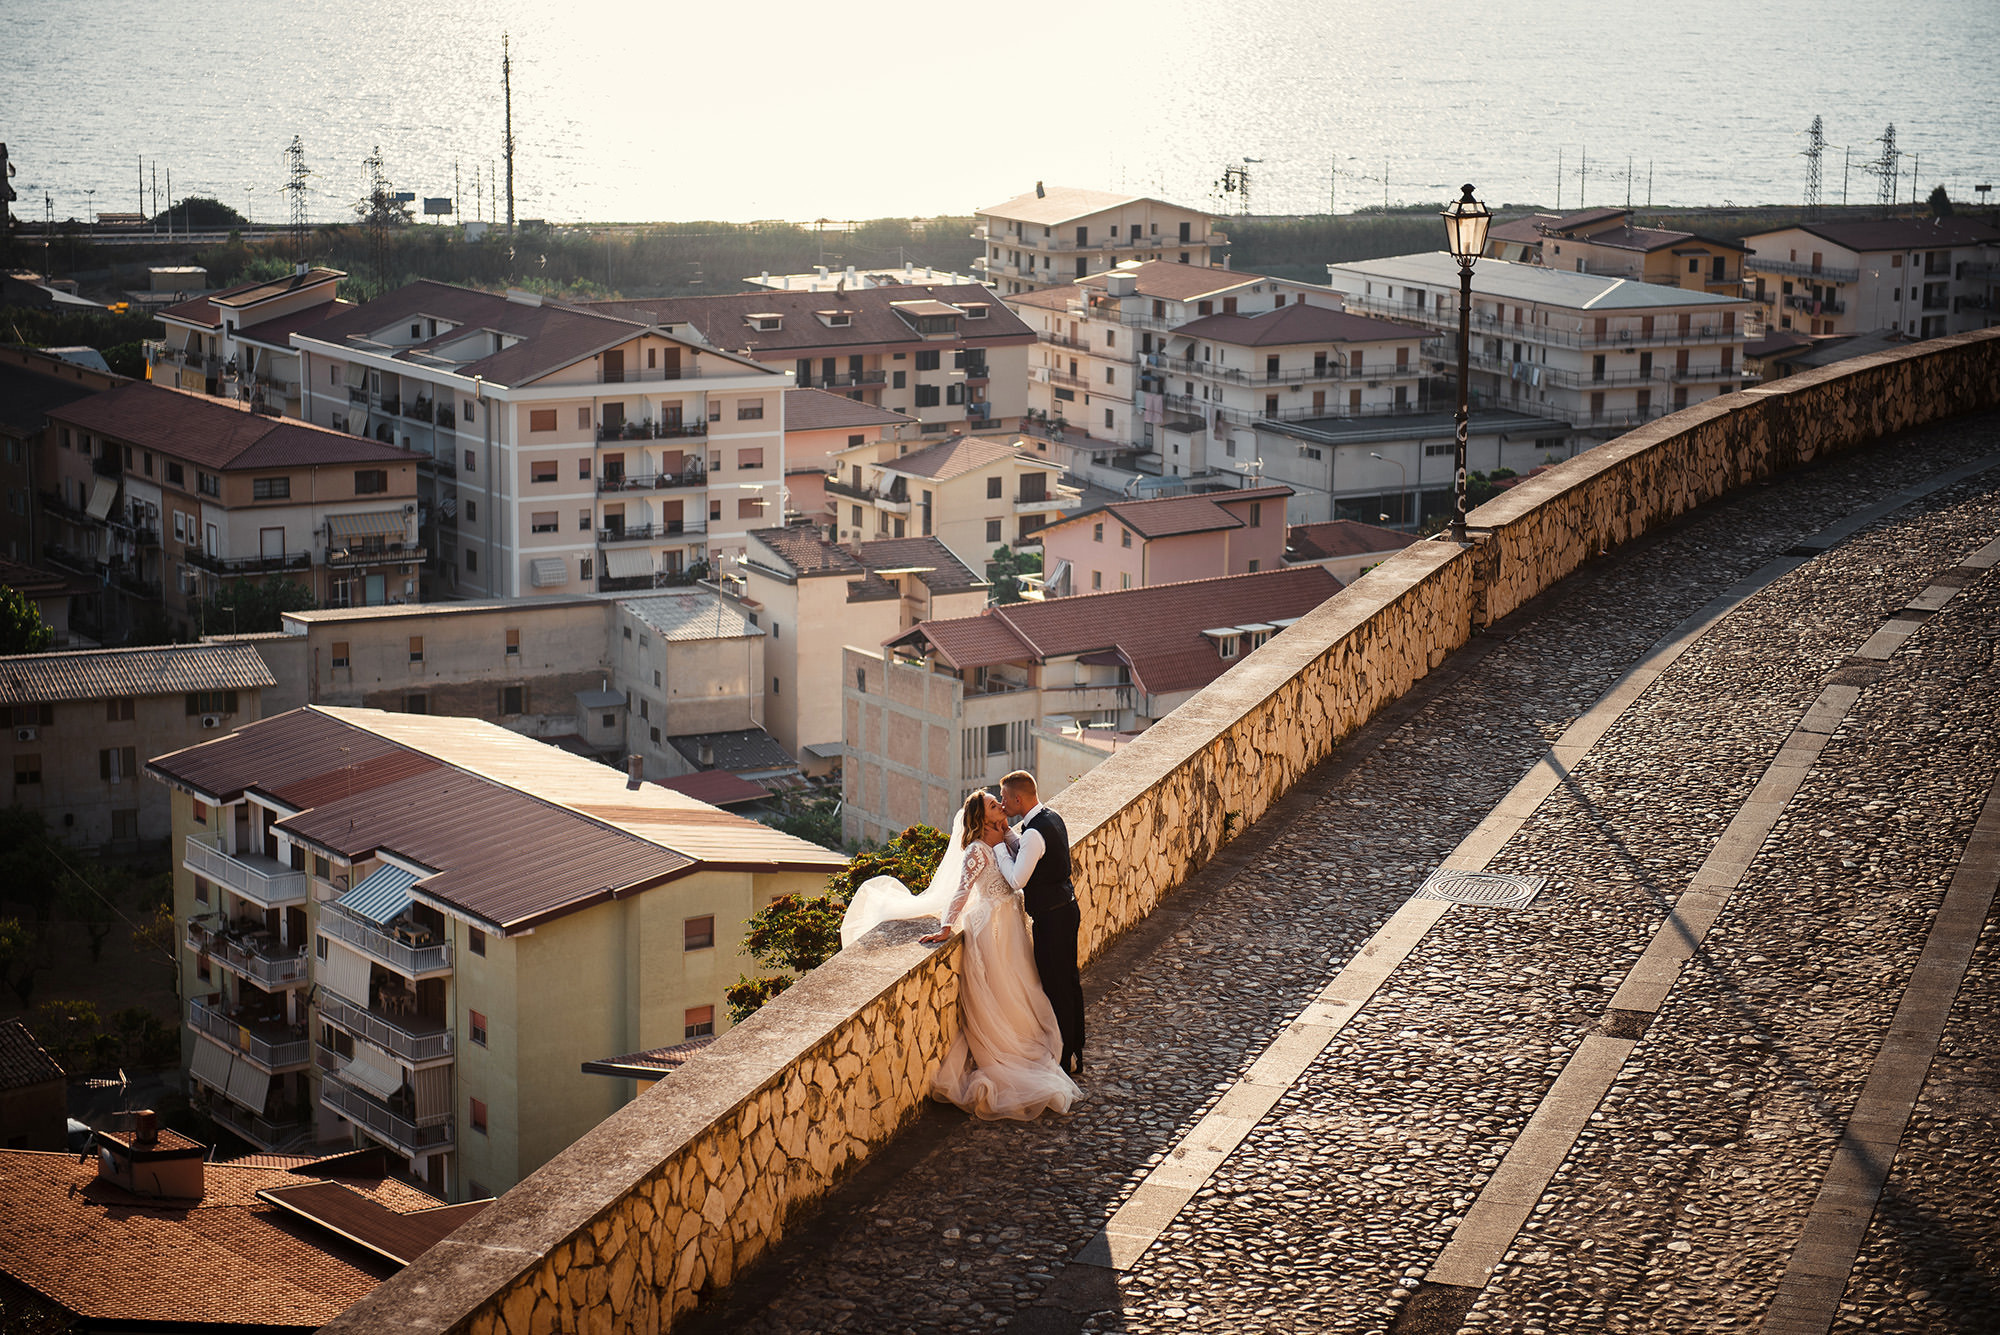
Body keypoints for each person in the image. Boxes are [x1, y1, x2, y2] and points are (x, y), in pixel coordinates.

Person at [840, 790, 1080, 1121]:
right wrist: (946, 927)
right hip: (991, 927)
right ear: (982, 818)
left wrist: (1005, 829)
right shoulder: (975, 851)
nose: (1002, 806)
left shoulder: (1002, 838)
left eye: (1000, 802)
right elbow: (962, 890)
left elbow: (1016, 851)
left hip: (1009, 922)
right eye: (995, 805)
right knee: (1002, 987)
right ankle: (1009, 1049)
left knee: (1022, 984)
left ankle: (1032, 1040)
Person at [994, 771, 1086, 1075]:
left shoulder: (1034, 832)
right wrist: (1008, 836)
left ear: (1018, 798)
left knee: (1056, 986)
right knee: (1069, 982)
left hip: (1052, 918)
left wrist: (997, 848)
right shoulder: (1050, 817)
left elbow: (1018, 878)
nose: (1002, 802)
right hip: (1066, 909)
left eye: (1005, 797)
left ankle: (1063, 1056)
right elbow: (1033, 853)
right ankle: (1074, 1050)